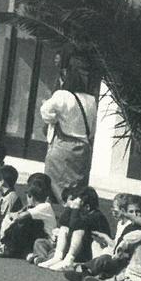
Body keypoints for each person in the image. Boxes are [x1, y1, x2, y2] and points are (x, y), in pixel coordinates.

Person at [39, 68, 97, 202]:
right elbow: (93, 127)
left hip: (63, 145)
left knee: (55, 185)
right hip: (83, 147)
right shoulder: (91, 100)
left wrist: (55, 120)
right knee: (77, 187)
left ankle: (60, 211)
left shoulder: (62, 95)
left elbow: (45, 110)